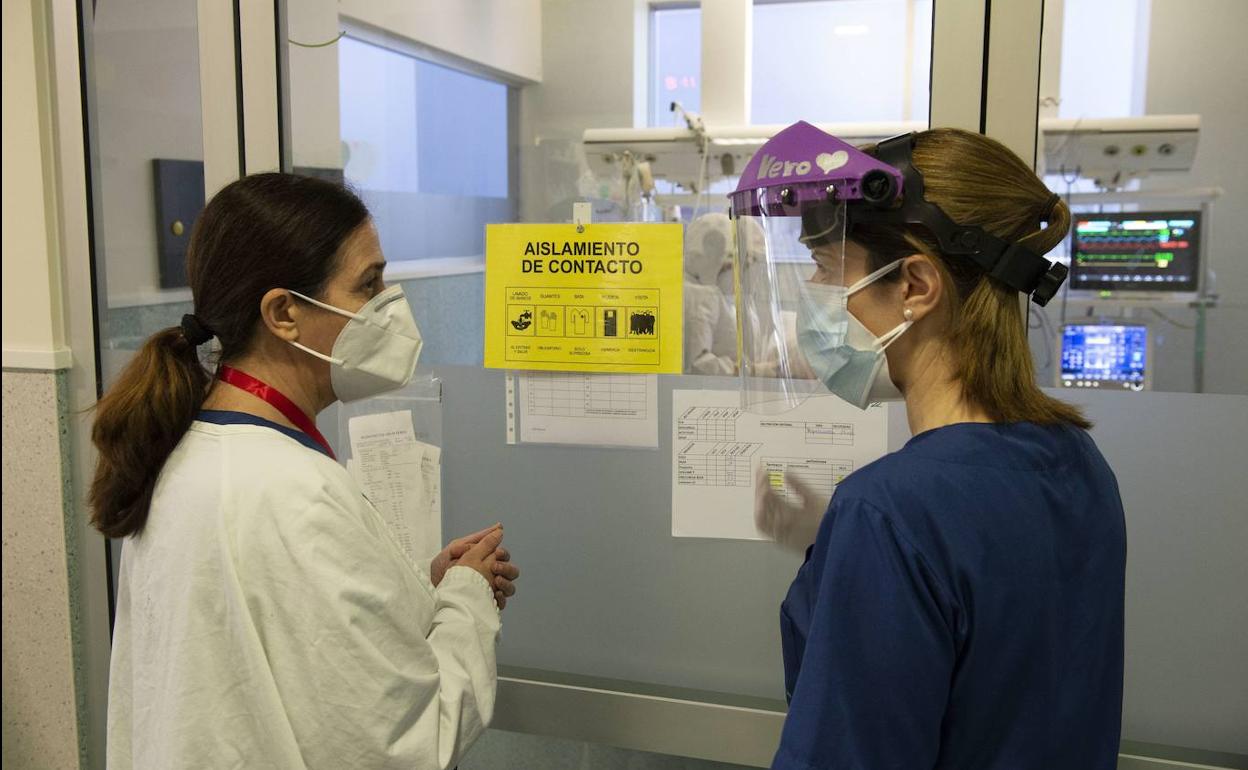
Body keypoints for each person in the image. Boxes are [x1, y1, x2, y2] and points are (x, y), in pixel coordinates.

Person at [90, 173, 520, 769]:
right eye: (369, 283)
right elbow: (408, 743)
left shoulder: (187, 454)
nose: (390, 304)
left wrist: (421, 589)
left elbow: (281, 640)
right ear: (284, 312)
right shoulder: (293, 490)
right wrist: (468, 601)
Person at [732, 124, 1126, 768]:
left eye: (829, 272)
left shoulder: (888, 512)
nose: (817, 305)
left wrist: (863, 543)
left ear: (915, 285)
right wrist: (834, 548)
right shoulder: (1077, 464)